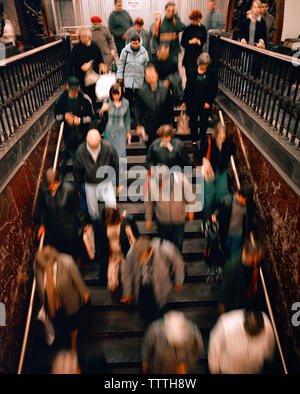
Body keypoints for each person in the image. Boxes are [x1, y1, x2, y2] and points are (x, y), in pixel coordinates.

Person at [34, 246, 90, 351]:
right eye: (43, 267)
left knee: (72, 321)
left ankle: (73, 344)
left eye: (48, 266)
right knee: (59, 321)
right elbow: (39, 285)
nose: (46, 269)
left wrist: (84, 293)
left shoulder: (67, 261)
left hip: (69, 297)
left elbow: (77, 279)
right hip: (52, 301)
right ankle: (62, 339)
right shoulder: (38, 265)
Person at [121, 236, 185, 326]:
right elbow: (127, 272)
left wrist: (179, 281)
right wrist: (127, 292)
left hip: (160, 287)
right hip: (141, 289)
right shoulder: (133, 251)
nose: (139, 262)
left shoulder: (164, 248)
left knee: (159, 314)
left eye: (142, 258)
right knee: (144, 315)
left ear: (149, 252)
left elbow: (179, 263)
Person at [37, 167, 89, 262]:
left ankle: (74, 264)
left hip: (69, 228)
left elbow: (78, 209)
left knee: (71, 251)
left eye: (53, 185)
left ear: (58, 181)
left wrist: (84, 224)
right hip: (54, 230)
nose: (50, 187)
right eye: (49, 185)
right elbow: (42, 209)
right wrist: (42, 224)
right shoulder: (44, 191)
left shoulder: (68, 190)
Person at [208, 307, 275, 373]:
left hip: (253, 369)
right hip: (229, 370)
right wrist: (214, 369)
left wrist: (268, 359)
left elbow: (270, 348)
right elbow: (214, 350)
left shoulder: (267, 325)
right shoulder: (226, 324)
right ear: (244, 323)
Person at [145, 164, 195, 253]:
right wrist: (148, 218)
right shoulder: (152, 184)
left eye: (162, 183)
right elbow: (149, 202)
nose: (161, 185)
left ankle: (178, 262)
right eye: (159, 183)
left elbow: (190, 195)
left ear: (169, 177)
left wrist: (191, 210)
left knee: (178, 242)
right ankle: (166, 262)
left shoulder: (181, 179)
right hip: (162, 219)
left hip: (178, 218)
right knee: (164, 244)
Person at [73, 127, 120, 221]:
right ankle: (97, 225)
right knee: (92, 210)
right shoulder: (80, 151)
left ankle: (111, 221)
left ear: (100, 139)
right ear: (86, 139)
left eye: (96, 145)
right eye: (91, 146)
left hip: (105, 181)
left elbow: (116, 164)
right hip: (89, 182)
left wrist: (119, 182)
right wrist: (78, 187)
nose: (94, 148)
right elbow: (77, 171)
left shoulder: (108, 147)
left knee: (112, 203)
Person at [195, 121, 236, 226]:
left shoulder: (228, 143)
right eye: (220, 133)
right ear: (216, 133)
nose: (222, 136)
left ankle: (217, 218)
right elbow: (197, 156)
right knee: (208, 198)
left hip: (221, 171)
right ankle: (207, 223)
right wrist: (204, 159)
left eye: (224, 134)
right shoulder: (208, 141)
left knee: (221, 195)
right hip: (209, 172)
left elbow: (233, 150)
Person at [94, 207, 139, 293]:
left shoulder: (126, 222)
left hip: (124, 251)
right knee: (112, 282)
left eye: (110, 222)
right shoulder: (99, 223)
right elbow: (99, 239)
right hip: (111, 253)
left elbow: (136, 237)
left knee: (126, 278)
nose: (108, 224)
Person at [54, 76, 94, 166]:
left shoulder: (85, 100)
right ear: (67, 87)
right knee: (76, 160)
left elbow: (91, 117)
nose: (74, 92)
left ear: (79, 87)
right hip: (69, 136)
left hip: (83, 135)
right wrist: (65, 117)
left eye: (75, 89)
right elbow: (57, 116)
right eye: (72, 89)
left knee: (84, 159)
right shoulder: (61, 101)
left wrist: (80, 120)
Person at [212, 183, 257, 259]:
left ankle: (229, 268)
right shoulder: (226, 200)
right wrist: (215, 215)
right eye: (244, 200)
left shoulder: (249, 205)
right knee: (224, 252)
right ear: (239, 194)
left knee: (233, 256)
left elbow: (250, 219)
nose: (244, 203)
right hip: (225, 233)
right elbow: (219, 210)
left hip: (238, 236)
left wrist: (251, 229)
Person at [218, 238, 263, 314]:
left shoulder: (252, 263)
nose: (255, 264)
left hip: (244, 301)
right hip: (234, 307)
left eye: (257, 261)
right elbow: (223, 299)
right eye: (252, 261)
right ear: (245, 252)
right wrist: (223, 318)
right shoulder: (232, 267)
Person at [182, 52, 218, 145]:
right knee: (193, 121)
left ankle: (202, 138)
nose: (204, 67)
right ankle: (194, 138)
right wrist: (184, 100)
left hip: (204, 103)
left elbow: (213, 89)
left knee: (204, 122)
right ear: (199, 63)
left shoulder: (212, 73)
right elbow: (188, 87)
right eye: (202, 64)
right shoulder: (192, 72)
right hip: (193, 101)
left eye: (206, 65)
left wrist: (209, 101)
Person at [135, 63, 173, 147]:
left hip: (163, 125)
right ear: (145, 77)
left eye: (152, 75)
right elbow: (137, 109)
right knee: (151, 150)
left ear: (156, 75)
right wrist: (138, 125)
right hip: (149, 126)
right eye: (148, 76)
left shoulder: (165, 89)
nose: (151, 78)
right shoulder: (141, 91)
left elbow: (170, 108)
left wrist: (171, 124)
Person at [117, 34, 149, 128]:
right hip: (128, 81)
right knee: (128, 100)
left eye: (137, 43)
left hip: (139, 80)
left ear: (140, 42)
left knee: (139, 100)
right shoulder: (125, 51)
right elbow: (121, 64)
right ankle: (129, 118)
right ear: (130, 42)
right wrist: (120, 77)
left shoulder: (144, 52)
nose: (135, 45)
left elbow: (146, 65)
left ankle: (138, 119)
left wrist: (147, 78)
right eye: (133, 43)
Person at [71, 26, 108, 105]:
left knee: (94, 93)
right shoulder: (77, 47)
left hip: (93, 75)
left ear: (89, 36)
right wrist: (81, 65)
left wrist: (101, 64)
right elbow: (73, 60)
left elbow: (99, 58)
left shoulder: (94, 46)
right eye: (81, 37)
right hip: (81, 76)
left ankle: (94, 109)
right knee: (84, 95)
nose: (83, 39)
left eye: (85, 37)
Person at [100, 83, 131, 160]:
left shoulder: (126, 102)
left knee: (121, 154)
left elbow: (127, 118)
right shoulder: (107, 101)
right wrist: (102, 110)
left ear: (121, 93)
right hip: (109, 131)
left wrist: (128, 132)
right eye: (114, 94)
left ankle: (122, 171)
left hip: (121, 131)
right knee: (109, 153)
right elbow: (100, 116)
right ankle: (109, 171)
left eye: (118, 94)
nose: (116, 96)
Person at [153, 1, 185, 68]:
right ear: (165, 10)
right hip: (163, 53)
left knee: (174, 74)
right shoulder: (160, 22)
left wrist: (176, 15)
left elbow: (181, 28)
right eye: (169, 10)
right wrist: (157, 50)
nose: (170, 12)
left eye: (172, 10)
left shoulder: (176, 21)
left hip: (174, 53)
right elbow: (155, 38)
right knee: (163, 72)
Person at [181, 10, 207, 82]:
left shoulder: (203, 28)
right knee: (189, 78)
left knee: (197, 78)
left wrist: (200, 42)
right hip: (188, 57)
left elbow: (204, 40)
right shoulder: (187, 29)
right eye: (194, 19)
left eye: (198, 19)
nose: (196, 21)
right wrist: (190, 41)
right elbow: (182, 43)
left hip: (198, 57)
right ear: (191, 19)